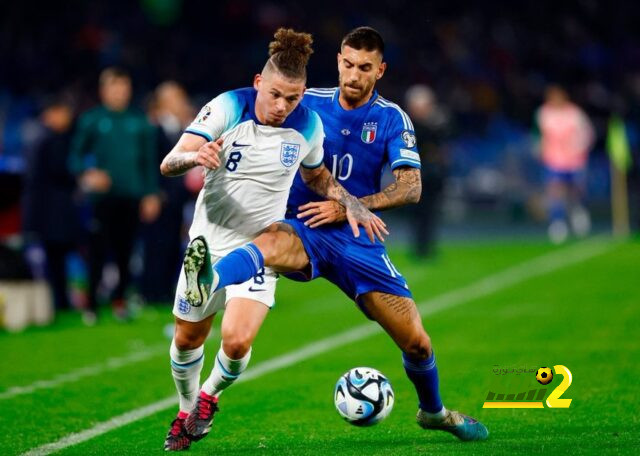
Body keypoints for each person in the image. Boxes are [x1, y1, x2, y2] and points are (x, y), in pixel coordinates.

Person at [202, 27, 488, 443]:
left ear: (381, 71)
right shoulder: (307, 103)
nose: (353, 75)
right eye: (348, 64)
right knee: (268, 245)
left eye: (365, 68)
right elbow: (259, 115)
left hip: (357, 240)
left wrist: (352, 205)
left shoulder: (392, 118)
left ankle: (434, 412)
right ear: (338, 61)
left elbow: (411, 187)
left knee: (417, 344)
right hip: (304, 224)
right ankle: (205, 282)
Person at [159, 28, 384, 451]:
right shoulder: (228, 106)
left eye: (294, 98)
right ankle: (185, 411)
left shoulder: (309, 125)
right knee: (188, 338)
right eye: (276, 94)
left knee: (238, 339)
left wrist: (350, 201)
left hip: (261, 245)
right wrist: (196, 156)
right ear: (259, 82)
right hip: (208, 241)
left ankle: (208, 398)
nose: (283, 106)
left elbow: (315, 174)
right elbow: (170, 162)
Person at [69, 67, 161, 324]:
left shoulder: (139, 122)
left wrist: (151, 194)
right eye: (114, 86)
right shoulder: (93, 120)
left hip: (131, 197)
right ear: (103, 90)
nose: (120, 92)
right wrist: (87, 173)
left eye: (123, 86)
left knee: (126, 252)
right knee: (97, 251)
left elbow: (148, 162)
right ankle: (91, 305)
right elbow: (75, 155)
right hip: (102, 199)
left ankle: (120, 301)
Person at [22, 96, 81, 310]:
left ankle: (59, 301)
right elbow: (61, 172)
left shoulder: (36, 138)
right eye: (63, 113)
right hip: (53, 212)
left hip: (44, 212)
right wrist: (80, 175)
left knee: (55, 260)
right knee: (56, 260)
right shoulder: (52, 140)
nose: (68, 118)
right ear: (51, 114)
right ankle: (60, 302)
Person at [141, 82, 194, 303]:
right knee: (156, 244)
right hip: (159, 197)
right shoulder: (153, 128)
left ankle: (165, 290)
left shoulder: (179, 128)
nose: (181, 102)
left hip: (176, 198)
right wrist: (151, 192)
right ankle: (150, 291)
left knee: (172, 243)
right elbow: (148, 162)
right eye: (176, 98)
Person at [534, 85, 595, 244]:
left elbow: (587, 134)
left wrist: (577, 147)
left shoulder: (575, 114)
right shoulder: (543, 114)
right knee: (556, 191)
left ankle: (578, 213)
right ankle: (558, 222)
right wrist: (540, 150)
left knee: (576, 191)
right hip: (554, 160)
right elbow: (539, 135)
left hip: (575, 160)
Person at [404, 84, 451, 258]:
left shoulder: (437, 122)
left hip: (432, 175)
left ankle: (426, 247)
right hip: (415, 173)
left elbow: (443, 143)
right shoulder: (410, 124)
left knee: (430, 212)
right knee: (418, 213)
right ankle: (420, 247)